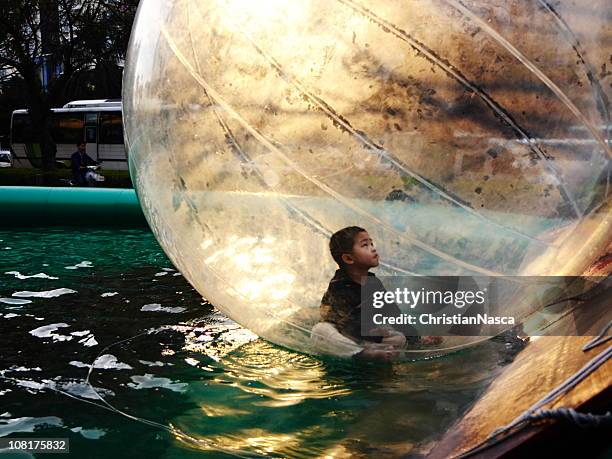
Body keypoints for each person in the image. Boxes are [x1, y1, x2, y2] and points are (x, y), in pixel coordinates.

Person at [315, 226, 440, 361]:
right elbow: (346, 323)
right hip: (343, 336)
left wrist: (416, 339)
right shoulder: (339, 286)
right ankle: (362, 354)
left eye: (372, 243)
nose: (373, 248)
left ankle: (379, 352)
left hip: (365, 336)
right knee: (321, 331)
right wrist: (374, 335)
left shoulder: (373, 283)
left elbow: (393, 314)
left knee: (399, 338)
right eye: (365, 245)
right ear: (348, 258)